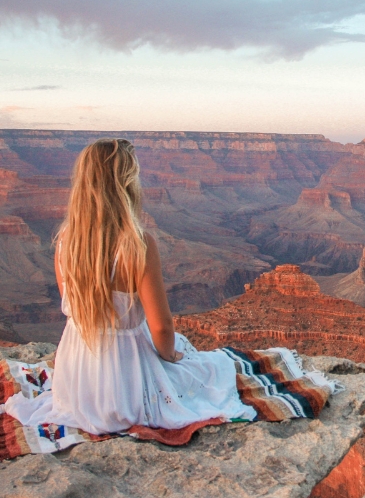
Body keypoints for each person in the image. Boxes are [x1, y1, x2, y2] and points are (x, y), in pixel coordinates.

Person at [3, 138, 259, 434]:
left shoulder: (65, 241)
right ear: (125, 183)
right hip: (126, 383)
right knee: (210, 370)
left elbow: (70, 308)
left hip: (76, 380)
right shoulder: (137, 245)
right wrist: (170, 357)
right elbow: (161, 328)